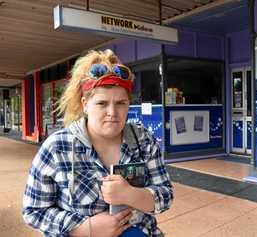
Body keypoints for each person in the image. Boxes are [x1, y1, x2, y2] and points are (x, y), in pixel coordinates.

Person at [22, 49, 174, 237]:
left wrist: (131, 195)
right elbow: (34, 211)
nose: (112, 112)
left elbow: (165, 195)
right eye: (102, 103)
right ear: (85, 104)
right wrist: (85, 229)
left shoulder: (143, 140)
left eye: (121, 103)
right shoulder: (57, 147)